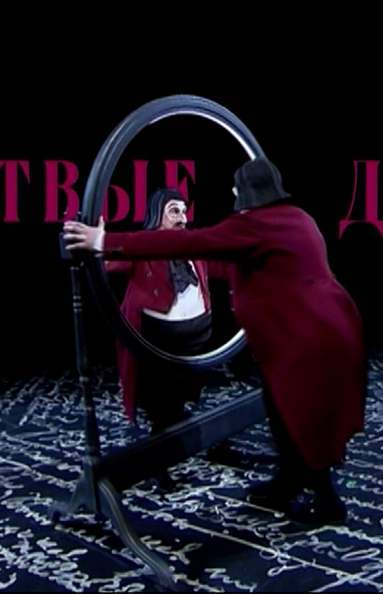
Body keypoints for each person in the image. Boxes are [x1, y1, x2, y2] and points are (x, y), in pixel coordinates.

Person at [65, 157, 367, 525]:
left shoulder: (255, 224)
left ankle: (327, 503)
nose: (234, 197)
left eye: (237, 191)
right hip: (333, 327)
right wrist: (104, 249)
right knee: (285, 409)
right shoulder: (298, 218)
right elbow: (223, 260)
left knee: (300, 416)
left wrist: (103, 240)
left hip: (304, 339)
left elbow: (197, 244)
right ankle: (288, 482)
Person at [104, 187, 228, 434]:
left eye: (183, 211)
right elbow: (111, 258)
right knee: (160, 396)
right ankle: (163, 436)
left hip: (195, 336)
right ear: (157, 214)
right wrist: (97, 242)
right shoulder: (142, 246)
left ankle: (175, 420)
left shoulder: (194, 246)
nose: (182, 218)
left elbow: (222, 266)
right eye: (173, 211)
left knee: (182, 388)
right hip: (157, 337)